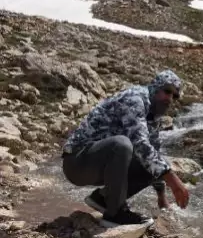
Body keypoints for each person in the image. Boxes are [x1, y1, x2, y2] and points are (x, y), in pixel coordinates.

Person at [61, 70, 190, 227]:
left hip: (101, 162)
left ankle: (103, 199)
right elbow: (140, 143)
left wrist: (161, 197)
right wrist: (174, 182)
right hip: (77, 162)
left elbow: (154, 156)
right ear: (155, 87)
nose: (169, 99)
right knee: (121, 145)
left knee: (155, 164)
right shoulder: (134, 98)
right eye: (167, 91)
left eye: (174, 96)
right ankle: (114, 214)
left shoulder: (153, 117)